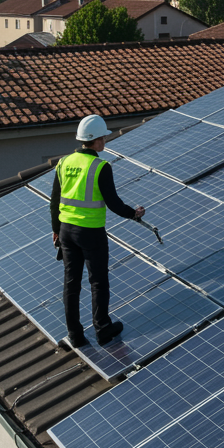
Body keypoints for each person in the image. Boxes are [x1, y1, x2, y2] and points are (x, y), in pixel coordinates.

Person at [51, 114, 145, 348]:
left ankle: (75, 335)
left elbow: (54, 201)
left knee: (71, 284)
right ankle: (103, 329)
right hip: (90, 233)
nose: (105, 140)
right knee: (98, 282)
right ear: (96, 141)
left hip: (66, 231)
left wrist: (55, 229)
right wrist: (134, 213)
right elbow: (113, 202)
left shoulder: (64, 162)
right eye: (104, 137)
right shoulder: (100, 166)